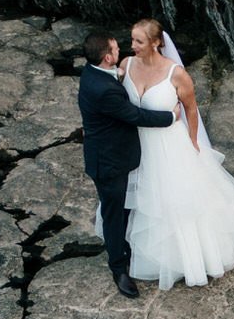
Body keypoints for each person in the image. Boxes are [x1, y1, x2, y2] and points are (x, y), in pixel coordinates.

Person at [118, 18, 234, 289]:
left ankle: (188, 258)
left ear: (156, 43)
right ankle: (149, 252)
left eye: (139, 41)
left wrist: (193, 141)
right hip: (138, 144)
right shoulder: (126, 65)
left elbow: (191, 109)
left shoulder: (176, 74)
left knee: (178, 200)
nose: (133, 45)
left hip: (169, 145)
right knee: (147, 197)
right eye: (132, 39)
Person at [75, 29, 177, 300]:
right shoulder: (104, 90)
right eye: (115, 48)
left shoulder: (94, 73)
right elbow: (134, 115)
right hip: (108, 161)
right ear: (108, 58)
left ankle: (125, 247)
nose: (122, 49)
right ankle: (118, 268)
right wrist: (171, 116)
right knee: (114, 212)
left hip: (115, 153)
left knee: (125, 207)